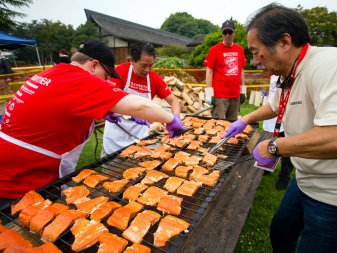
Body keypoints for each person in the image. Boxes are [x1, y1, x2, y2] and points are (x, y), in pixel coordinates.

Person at [224, 3, 337, 252]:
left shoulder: (330, 64)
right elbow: (274, 105)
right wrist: (244, 120)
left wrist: (275, 146)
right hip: (306, 178)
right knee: (280, 233)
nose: (254, 61)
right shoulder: (290, 73)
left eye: (256, 52)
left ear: (284, 42)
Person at [0, 40, 183, 207]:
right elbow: (140, 105)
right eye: (106, 75)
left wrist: (105, 113)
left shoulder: (55, 73)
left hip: (13, 163)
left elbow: (62, 110)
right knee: (24, 229)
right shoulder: (79, 79)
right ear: (94, 65)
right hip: (22, 175)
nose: (107, 81)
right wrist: (171, 119)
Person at [102, 42, 182, 156]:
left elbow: (174, 101)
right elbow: (109, 98)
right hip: (115, 135)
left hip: (140, 136)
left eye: (151, 65)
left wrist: (176, 118)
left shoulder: (154, 79)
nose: (147, 70)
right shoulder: (119, 72)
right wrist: (129, 113)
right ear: (132, 61)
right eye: (143, 65)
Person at [204, 20, 247, 121]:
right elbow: (209, 71)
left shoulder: (239, 49)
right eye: (225, 32)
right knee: (219, 125)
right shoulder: (214, 50)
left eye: (230, 32)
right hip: (220, 96)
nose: (227, 35)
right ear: (222, 33)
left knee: (233, 124)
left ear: (234, 33)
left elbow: (241, 70)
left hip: (235, 95)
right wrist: (209, 93)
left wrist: (243, 90)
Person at [262, 75, 293, 190]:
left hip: (287, 112)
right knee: (271, 141)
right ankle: (268, 167)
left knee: (287, 147)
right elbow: (272, 89)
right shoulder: (274, 72)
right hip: (272, 110)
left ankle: (285, 177)